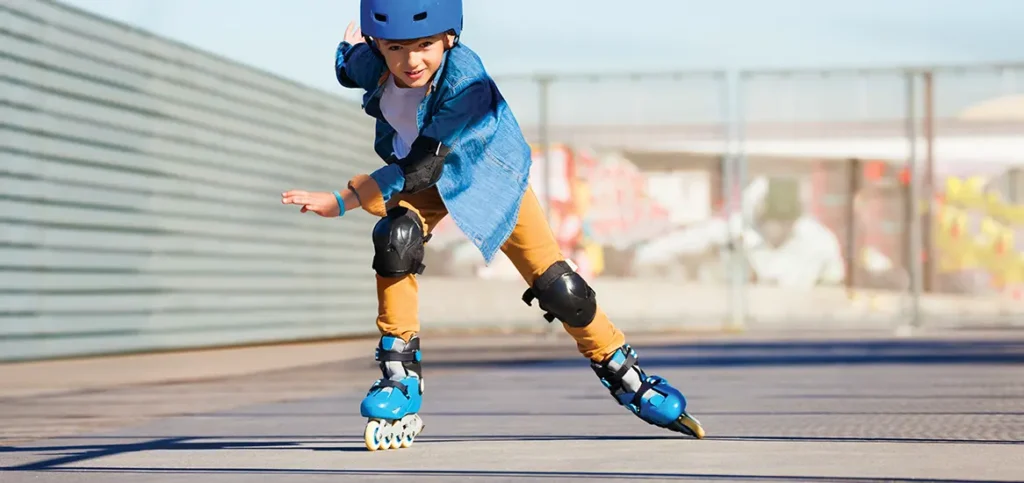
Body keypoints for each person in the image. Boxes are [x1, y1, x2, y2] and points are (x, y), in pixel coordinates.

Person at [281, 0, 704, 451]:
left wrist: (344, 200)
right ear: (377, 45)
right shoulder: (376, 64)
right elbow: (352, 67)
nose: (411, 61)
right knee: (395, 237)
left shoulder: (467, 81)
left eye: (425, 45)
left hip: (488, 178)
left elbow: (424, 163)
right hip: (426, 183)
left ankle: (624, 374)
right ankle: (399, 376)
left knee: (561, 289)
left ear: (449, 37)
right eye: (396, 48)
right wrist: (345, 55)